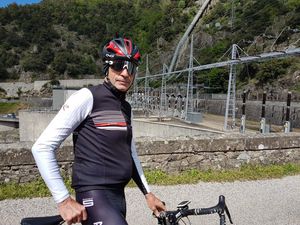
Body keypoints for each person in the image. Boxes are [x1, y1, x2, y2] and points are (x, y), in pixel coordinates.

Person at [32, 37, 166, 225]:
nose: (125, 73)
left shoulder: (126, 107)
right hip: (93, 193)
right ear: (107, 67)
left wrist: (148, 193)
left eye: (131, 67)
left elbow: (130, 153)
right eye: (119, 65)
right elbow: (42, 147)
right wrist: (63, 200)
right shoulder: (87, 97)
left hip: (117, 196)